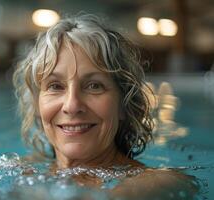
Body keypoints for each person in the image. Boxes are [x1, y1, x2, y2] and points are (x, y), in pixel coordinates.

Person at [13, 14, 197, 199]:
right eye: (55, 86)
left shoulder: (159, 183)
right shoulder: (20, 171)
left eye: (94, 86)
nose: (72, 105)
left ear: (123, 104)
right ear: (38, 105)